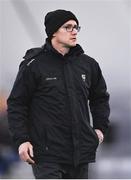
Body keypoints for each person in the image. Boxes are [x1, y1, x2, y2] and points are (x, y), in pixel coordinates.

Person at [7, 9, 110, 179]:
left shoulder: (89, 65)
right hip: (46, 154)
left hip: (80, 154)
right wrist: (22, 140)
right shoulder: (33, 65)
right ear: (53, 31)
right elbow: (17, 104)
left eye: (76, 27)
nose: (74, 31)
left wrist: (99, 128)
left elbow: (100, 99)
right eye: (68, 27)